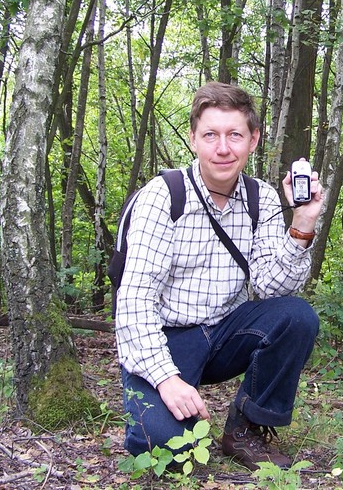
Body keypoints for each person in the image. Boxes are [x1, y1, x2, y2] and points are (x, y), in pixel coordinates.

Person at [115, 81, 323, 470]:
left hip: (227, 330)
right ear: (193, 138)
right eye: (210, 135)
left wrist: (303, 225)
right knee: (168, 453)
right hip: (168, 337)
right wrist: (166, 379)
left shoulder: (260, 198)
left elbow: (271, 287)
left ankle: (245, 428)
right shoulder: (164, 196)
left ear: (253, 140)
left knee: (297, 317)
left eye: (235, 135)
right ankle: (169, 410)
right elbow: (134, 301)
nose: (223, 148)